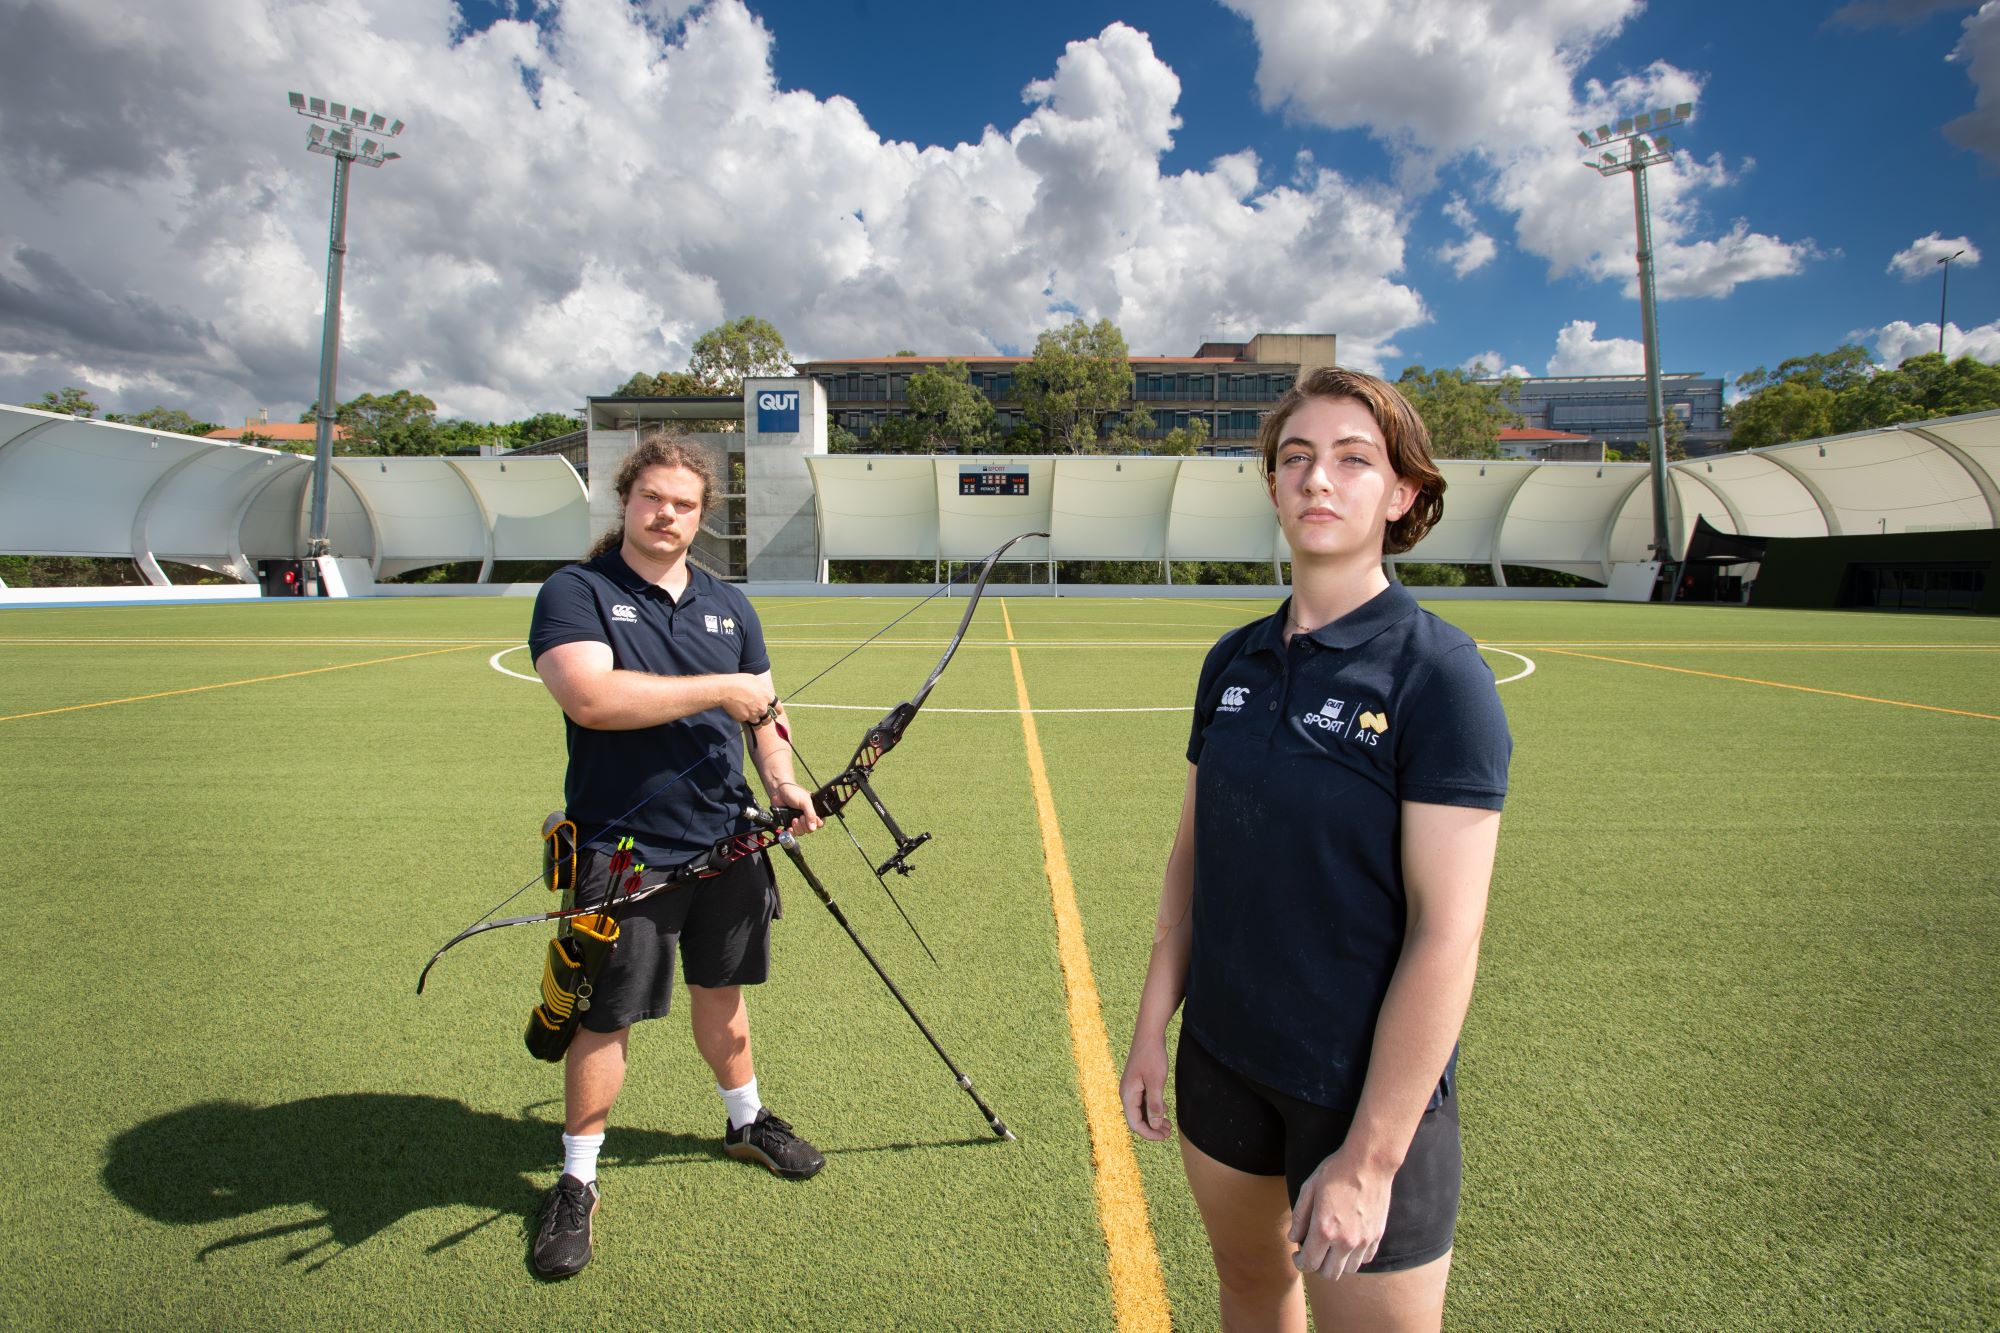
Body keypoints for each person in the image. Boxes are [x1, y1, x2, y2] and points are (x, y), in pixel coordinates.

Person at [1119, 368, 1511, 1331]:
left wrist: (1373, 1156)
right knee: (1251, 1288)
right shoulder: (1233, 659)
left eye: (1351, 459)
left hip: (1363, 1092)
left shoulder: (1440, 676)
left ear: (1402, 492)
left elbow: (1447, 933)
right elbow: (1194, 858)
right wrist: (1151, 1023)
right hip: (1224, 1056)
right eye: (1295, 459)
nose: (1317, 481)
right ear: (1272, 485)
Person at [523, 426, 826, 1280]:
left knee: (723, 996)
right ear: (626, 499)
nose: (667, 514)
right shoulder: (577, 591)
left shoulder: (730, 604)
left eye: (684, 505)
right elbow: (589, 696)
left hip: (726, 843)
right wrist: (723, 689)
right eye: (653, 497)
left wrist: (781, 782)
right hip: (624, 853)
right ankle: (578, 1179)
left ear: (702, 518)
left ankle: (744, 1120)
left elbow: (764, 714)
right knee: (604, 1016)